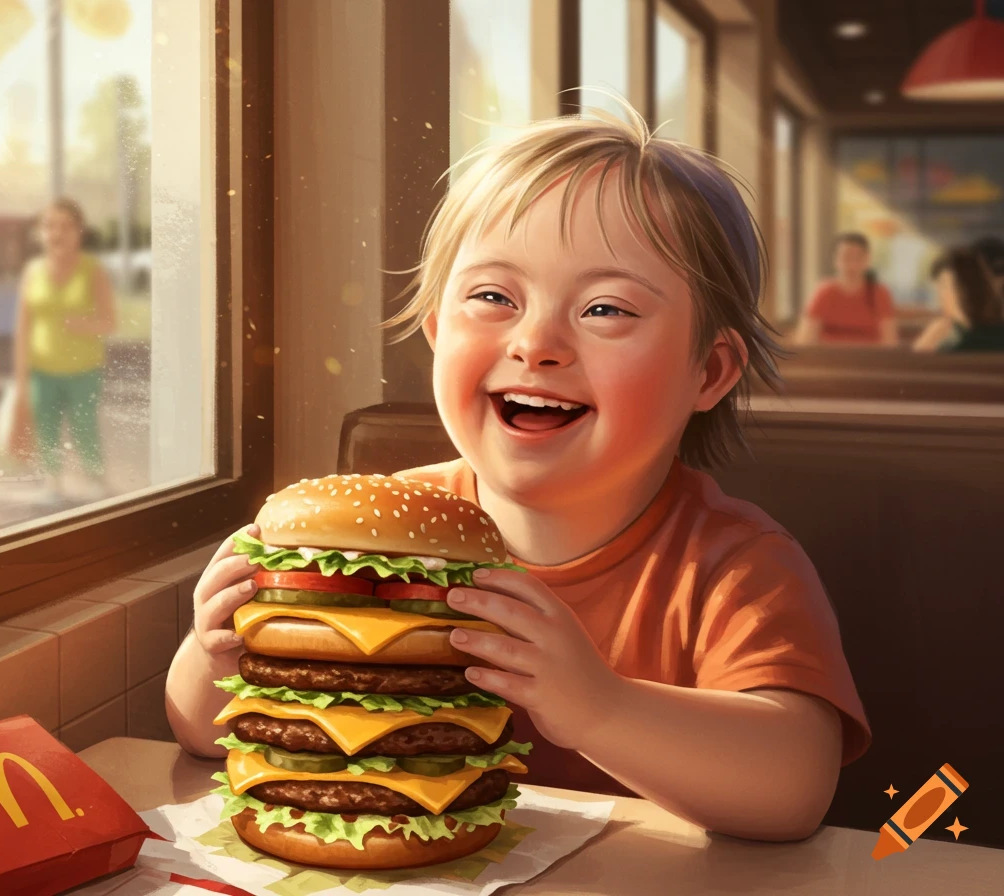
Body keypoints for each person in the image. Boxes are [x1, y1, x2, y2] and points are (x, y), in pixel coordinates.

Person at [166, 110, 871, 842]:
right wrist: (212, 649)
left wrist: (599, 707)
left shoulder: (737, 566)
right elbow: (201, 737)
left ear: (710, 371)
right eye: (495, 298)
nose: (536, 343)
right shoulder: (379, 534)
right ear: (439, 331)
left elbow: (794, 788)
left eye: (605, 308)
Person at [14, 198, 115, 498]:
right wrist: (21, 379)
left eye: (65, 226)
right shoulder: (32, 271)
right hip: (42, 369)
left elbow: (109, 321)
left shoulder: (92, 269)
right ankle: (52, 483)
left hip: (83, 369)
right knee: (46, 429)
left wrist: (84, 324)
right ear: (40, 232)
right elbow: (22, 328)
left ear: (78, 231)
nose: (57, 233)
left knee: (85, 429)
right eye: (49, 226)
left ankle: (96, 481)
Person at [795, 233, 898, 346]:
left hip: (870, 360)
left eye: (857, 258)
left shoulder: (880, 293)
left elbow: (890, 342)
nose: (851, 265)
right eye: (846, 257)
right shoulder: (824, 292)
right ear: (836, 260)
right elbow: (805, 339)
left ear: (867, 260)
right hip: (829, 359)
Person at [912, 248, 1004, 353]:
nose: (939, 295)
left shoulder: (958, 346)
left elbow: (918, 366)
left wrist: (926, 343)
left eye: (944, 285)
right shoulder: (957, 333)